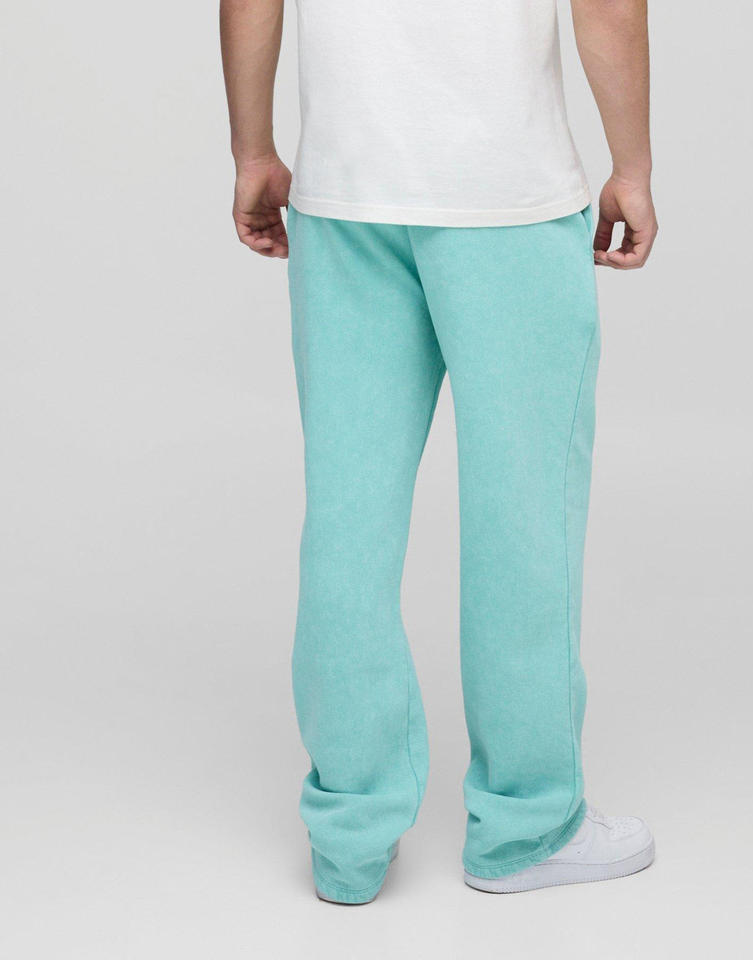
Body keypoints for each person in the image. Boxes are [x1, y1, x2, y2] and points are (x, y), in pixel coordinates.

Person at [220, 0, 658, 903]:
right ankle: (528, 824)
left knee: (348, 519)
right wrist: (633, 166)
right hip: (506, 193)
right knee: (523, 518)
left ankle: (348, 837)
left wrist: (253, 150)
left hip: (346, 196)